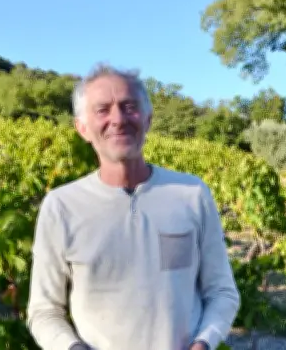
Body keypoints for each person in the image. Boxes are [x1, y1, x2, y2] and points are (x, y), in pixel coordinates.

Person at [26, 63, 240, 350]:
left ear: (148, 119)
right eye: (102, 110)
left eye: (129, 107)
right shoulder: (61, 206)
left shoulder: (192, 194)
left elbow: (222, 293)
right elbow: (44, 311)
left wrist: (204, 343)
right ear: (82, 128)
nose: (118, 119)